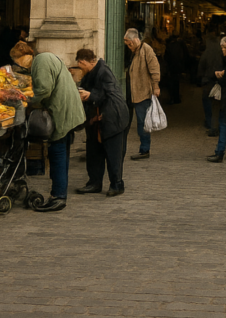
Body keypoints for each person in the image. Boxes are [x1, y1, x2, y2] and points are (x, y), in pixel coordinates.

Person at [27, 51, 86, 212]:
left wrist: (29, 102)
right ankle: (59, 193)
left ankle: (58, 196)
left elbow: (44, 90)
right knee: (62, 151)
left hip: (61, 111)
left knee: (57, 151)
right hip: (68, 110)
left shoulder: (41, 60)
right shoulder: (47, 58)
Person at [74, 48, 130, 197]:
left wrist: (90, 95)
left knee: (113, 154)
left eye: (80, 65)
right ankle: (94, 182)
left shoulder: (104, 72)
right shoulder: (90, 74)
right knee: (94, 153)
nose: (80, 68)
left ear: (83, 62)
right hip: (97, 120)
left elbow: (109, 94)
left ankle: (117, 184)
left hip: (113, 119)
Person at [124, 28, 161, 160]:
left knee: (142, 122)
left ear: (135, 40)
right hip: (133, 92)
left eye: (129, 44)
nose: (128, 47)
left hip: (143, 92)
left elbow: (154, 69)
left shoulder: (146, 50)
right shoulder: (134, 52)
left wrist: (156, 86)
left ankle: (144, 149)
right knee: (134, 121)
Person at [198, 30, 224, 136]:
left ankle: (210, 123)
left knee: (207, 102)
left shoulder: (207, 52)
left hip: (208, 80)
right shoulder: (222, 51)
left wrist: (200, 78)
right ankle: (221, 124)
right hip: (220, 80)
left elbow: (201, 66)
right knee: (219, 104)